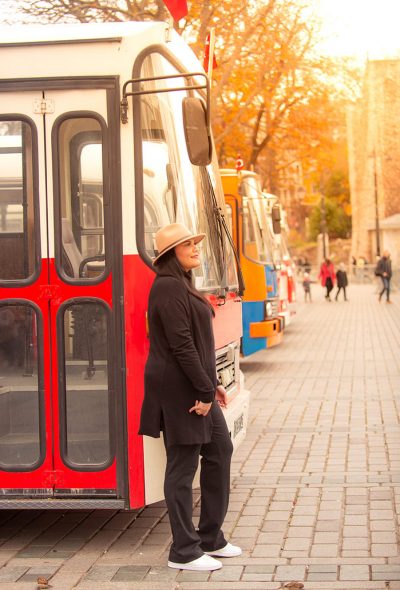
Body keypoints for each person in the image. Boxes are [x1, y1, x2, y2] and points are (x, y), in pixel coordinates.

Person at [139, 223, 241, 572]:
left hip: (197, 388)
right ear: (172, 253)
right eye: (189, 244)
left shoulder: (183, 284)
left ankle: (210, 537)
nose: (197, 247)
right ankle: (183, 551)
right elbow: (181, 346)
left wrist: (211, 385)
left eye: (196, 242)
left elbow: (197, 344)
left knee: (220, 449)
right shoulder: (167, 288)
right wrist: (202, 390)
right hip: (179, 390)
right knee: (182, 466)